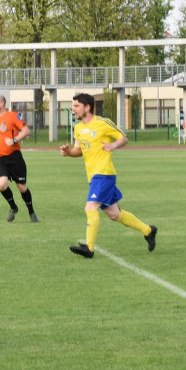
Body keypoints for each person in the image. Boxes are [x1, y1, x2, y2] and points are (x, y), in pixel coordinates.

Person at [60, 92, 157, 258]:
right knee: (114, 214)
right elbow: (79, 150)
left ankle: (89, 248)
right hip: (94, 177)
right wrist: (69, 152)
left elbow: (123, 138)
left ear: (87, 107)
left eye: (76, 106)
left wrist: (112, 146)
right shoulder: (78, 128)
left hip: (104, 173)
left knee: (90, 207)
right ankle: (148, 231)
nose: (73, 109)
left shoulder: (103, 123)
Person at [0, 95, 39, 222]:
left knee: (22, 187)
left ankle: (31, 212)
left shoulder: (13, 116)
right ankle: (13, 207)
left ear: (2, 104)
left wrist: (14, 140)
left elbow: (26, 131)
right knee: (2, 184)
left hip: (14, 157)